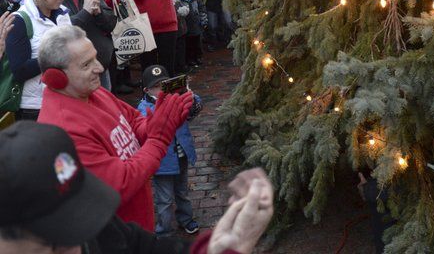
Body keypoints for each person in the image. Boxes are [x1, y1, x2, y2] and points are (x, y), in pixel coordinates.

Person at [0, 121, 274, 254]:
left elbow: (149, 248)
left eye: (75, 224)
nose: (75, 249)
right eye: (51, 242)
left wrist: (222, 247)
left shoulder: (95, 233)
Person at [37, 25, 193, 232]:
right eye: (86, 64)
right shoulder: (63, 131)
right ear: (56, 77)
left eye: (95, 58)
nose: (100, 68)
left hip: (136, 228)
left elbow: (133, 119)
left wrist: (156, 123)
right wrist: (159, 138)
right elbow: (121, 183)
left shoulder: (91, 91)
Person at [138, 65, 202, 236]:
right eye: (156, 86)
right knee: (164, 200)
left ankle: (186, 219)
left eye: (164, 84)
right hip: (162, 162)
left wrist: (188, 94)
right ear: (147, 89)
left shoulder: (176, 98)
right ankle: (164, 231)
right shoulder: (144, 108)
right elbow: (146, 128)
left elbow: (193, 109)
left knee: (183, 192)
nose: (161, 89)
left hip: (181, 156)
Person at [5, 0, 71, 119]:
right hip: (34, 107)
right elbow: (20, 70)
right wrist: (55, 56)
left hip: (64, 96)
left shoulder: (63, 13)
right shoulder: (20, 20)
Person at [55, 0, 117, 91]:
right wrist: (86, 12)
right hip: (71, 72)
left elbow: (111, 24)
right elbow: (62, 31)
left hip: (99, 66)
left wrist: (99, 13)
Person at [174, 0, 207, 68]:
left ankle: (198, 57)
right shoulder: (178, 0)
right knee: (188, 44)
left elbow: (202, 9)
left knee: (197, 42)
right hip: (186, 26)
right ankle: (190, 59)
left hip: (196, 24)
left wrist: (204, 20)